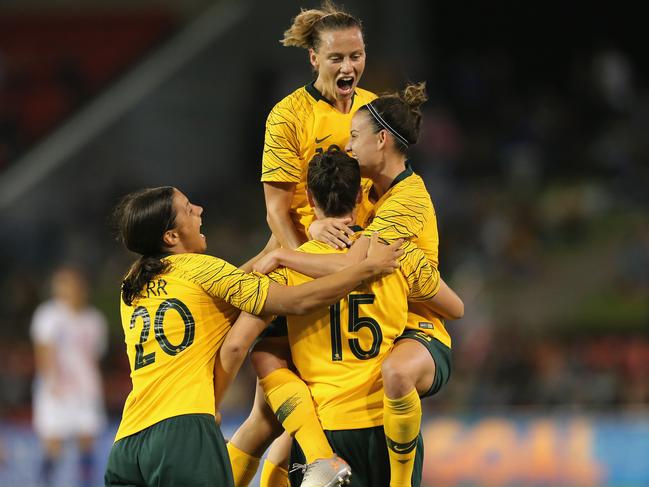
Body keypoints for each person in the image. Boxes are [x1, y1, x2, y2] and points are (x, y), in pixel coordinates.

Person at [104, 186, 402, 487]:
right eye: (187, 208)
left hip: (127, 442)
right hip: (182, 432)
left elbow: (251, 269)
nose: (199, 210)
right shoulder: (202, 269)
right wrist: (365, 269)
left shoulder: (132, 284)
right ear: (171, 237)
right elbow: (298, 301)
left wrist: (302, 223)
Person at [253, 82, 460, 487]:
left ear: (382, 140)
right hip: (382, 327)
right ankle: (316, 455)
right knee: (273, 432)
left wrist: (281, 255)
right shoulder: (376, 195)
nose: (347, 146)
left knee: (395, 374)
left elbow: (353, 264)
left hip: (416, 329)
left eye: (354, 136)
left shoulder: (405, 201)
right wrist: (314, 226)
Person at [228, 3, 377, 485]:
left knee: (278, 414)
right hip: (299, 264)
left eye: (356, 55)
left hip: (358, 268)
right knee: (273, 398)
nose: (348, 67)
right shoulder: (288, 115)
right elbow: (275, 207)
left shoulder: (374, 111)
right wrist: (303, 257)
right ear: (314, 59)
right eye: (336, 58)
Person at [31, 266, 108, 487]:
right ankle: (44, 482)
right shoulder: (48, 315)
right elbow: (43, 351)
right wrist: (51, 383)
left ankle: (86, 483)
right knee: (53, 445)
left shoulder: (94, 320)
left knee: (87, 441)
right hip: (56, 389)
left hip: (86, 390)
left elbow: (94, 356)